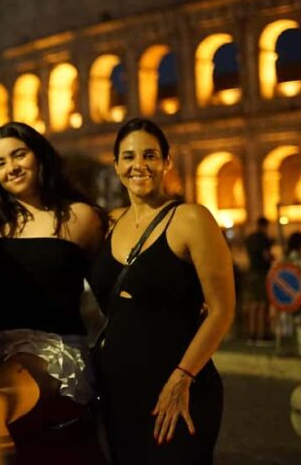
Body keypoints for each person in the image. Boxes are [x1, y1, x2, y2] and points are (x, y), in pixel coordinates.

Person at [88, 118, 235, 465]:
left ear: (167, 161)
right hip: (117, 391)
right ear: (116, 165)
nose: (139, 165)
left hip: (177, 385)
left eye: (150, 155)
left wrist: (182, 379)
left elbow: (221, 310)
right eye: (129, 157)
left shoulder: (190, 219)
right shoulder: (109, 223)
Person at [0, 122, 104, 464]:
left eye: (18, 155)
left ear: (40, 156)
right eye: (0, 162)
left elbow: (110, 287)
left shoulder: (80, 217)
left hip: (48, 349)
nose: (10, 167)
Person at [243, 217, 273, 344]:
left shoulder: (249, 238)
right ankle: (262, 335)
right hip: (262, 273)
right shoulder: (264, 239)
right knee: (262, 305)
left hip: (251, 273)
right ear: (264, 226)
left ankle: (252, 335)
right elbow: (266, 256)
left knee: (252, 305)